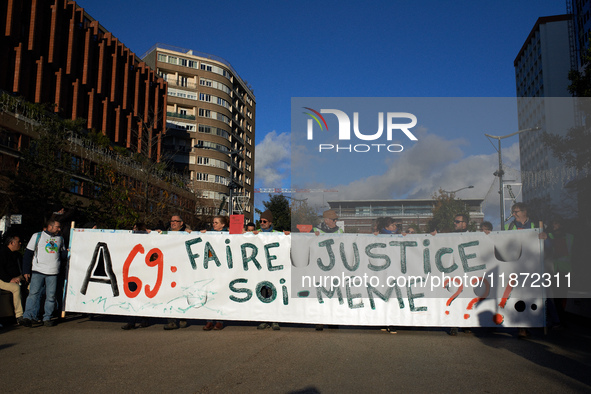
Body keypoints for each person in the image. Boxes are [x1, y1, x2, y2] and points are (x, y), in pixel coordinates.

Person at [21, 219, 67, 327]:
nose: (59, 229)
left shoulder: (60, 238)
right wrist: (26, 271)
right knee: (33, 294)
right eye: (57, 227)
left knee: (51, 296)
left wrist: (66, 252)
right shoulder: (37, 236)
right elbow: (28, 254)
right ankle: (28, 316)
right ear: (50, 226)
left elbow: (62, 254)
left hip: (53, 271)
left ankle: (47, 317)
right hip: (38, 270)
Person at [505, 203, 539, 338]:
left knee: (529, 297)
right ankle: (521, 328)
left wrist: (544, 239)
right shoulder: (509, 227)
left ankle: (530, 324)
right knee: (518, 297)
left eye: (516, 212)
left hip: (532, 268)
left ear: (525, 211)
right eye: (513, 212)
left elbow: (546, 246)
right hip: (515, 267)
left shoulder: (536, 226)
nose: (513, 214)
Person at [256, 210, 283, 331]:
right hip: (260, 269)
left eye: (264, 221)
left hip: (273, 269)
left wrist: (287, 234)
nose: (262, 223)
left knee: (273, 294)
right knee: (262, 294)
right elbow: (239, 235)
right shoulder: (256, 233)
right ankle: (263, 319)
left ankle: (274, 320)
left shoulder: (277, 233)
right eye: (260, 221)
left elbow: (286, 241)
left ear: (270, 222)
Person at [164, 215, 191, 330]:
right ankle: (171, 321)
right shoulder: (164, 234)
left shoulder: (187, 234)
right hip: (168, 268)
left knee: (182, 294)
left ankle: (183, 318)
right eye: (172, 221)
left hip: (183, 269)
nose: (173, 223)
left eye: (176, 221)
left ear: (181, 223)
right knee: (170, 294)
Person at [122, 222, 151, 330]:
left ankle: (138, 320)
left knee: (137, 296)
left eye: (135, 228)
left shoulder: (144, 238)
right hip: (134, 272)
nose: (134, 230)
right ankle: (136, 321)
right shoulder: (131, 238)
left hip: (141, 271)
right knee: (134, 296)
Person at [201, 215, 228, 331]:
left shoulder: (230, 234)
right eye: (213, 222)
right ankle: (209, 320)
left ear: (223, 225)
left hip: (223, 270)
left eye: (216, 223)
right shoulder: (208, 234)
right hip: (210, 269)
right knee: (209, 294)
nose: (214, 224)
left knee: (220, 295)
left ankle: (219, 321)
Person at [0, 235, 25, 325]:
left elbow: (22, 269)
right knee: (15, 288)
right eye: (18, 242)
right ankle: (19, 315)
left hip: (17, 278)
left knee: (32, 287)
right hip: (3, 279)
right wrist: (10, 279)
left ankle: (31, 313)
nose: (20, 243)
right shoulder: (2, 253)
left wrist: (21, 277)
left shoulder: (17, 255)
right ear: (11, 243)